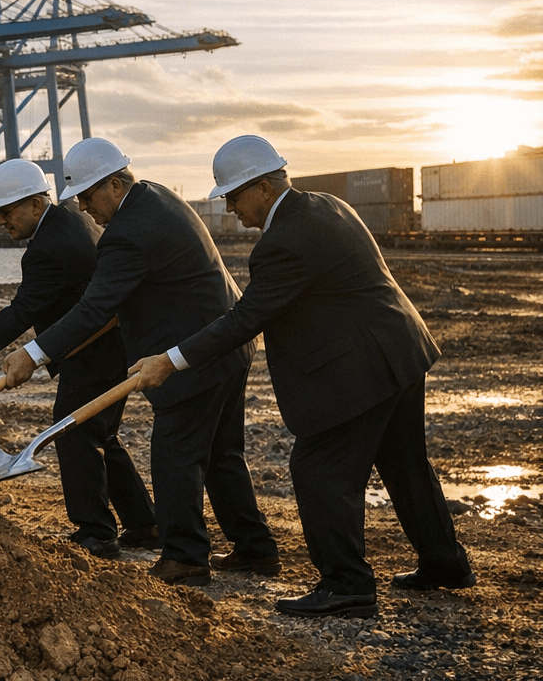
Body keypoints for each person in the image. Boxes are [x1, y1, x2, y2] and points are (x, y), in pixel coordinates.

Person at [130, 135, 475, 618]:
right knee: (405, 464)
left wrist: (171, 359)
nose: (230, 209)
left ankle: (346, 586)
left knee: (319, 470)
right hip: (401, 349)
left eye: (234, 196)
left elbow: (245, 320)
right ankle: (445, 564)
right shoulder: (326, 206)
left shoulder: (283, 241)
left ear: (265, 187)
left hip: (362, 366)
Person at [3, 137, 278, 586]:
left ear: (114, 184)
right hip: (225, 344)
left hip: (191, 355)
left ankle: (186, 557)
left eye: (89, 197)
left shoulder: (127, 234)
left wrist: (34, 353)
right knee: (222, 455)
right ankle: (255, 549)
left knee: (176, 456)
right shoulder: (156, 195)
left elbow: (95, 308)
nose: (85, 208)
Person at [0, 159, 157, 559]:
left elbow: (22, 311)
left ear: (36, 205)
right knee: (100, 434)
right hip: (113, 346)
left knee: (72, 432)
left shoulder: (48, 248)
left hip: (91, 351)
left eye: (7, 210)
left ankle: (96, 533)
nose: (0, 220)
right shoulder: (70, 218)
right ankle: (143, 524)